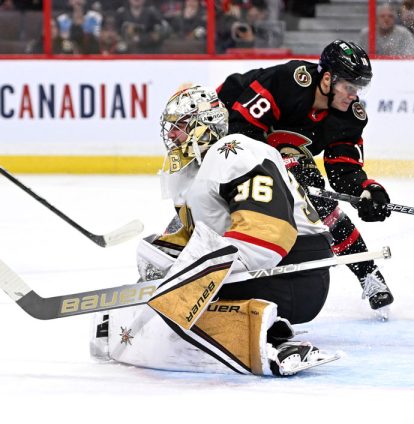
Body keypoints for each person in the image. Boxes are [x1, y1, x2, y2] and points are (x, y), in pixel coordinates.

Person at [90, 86, 338, 376]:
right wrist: (163, 264)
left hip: (297, 273)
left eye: (179, 126)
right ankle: (259, 327)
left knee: (179, 301)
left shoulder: (234, 151)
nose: (171, 135)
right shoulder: (194, 170)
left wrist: (192, 278)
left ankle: (273, 341)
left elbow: (269, 235)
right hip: (269, 269)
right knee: (161, 267)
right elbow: (197, 236)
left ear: (203, 125)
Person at [215, 40, 395, 318]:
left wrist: (366, 189)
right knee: (217, 190)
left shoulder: (349, 115)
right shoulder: (288, 82)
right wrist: (279, 163)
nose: (353, 95)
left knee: (317, 201)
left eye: (357, 88)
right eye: (348, 87)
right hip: (222, 121)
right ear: (327, 79)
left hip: (268, 145)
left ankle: (368, 274)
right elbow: (240, 128)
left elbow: (342, 169)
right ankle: (179, 244)